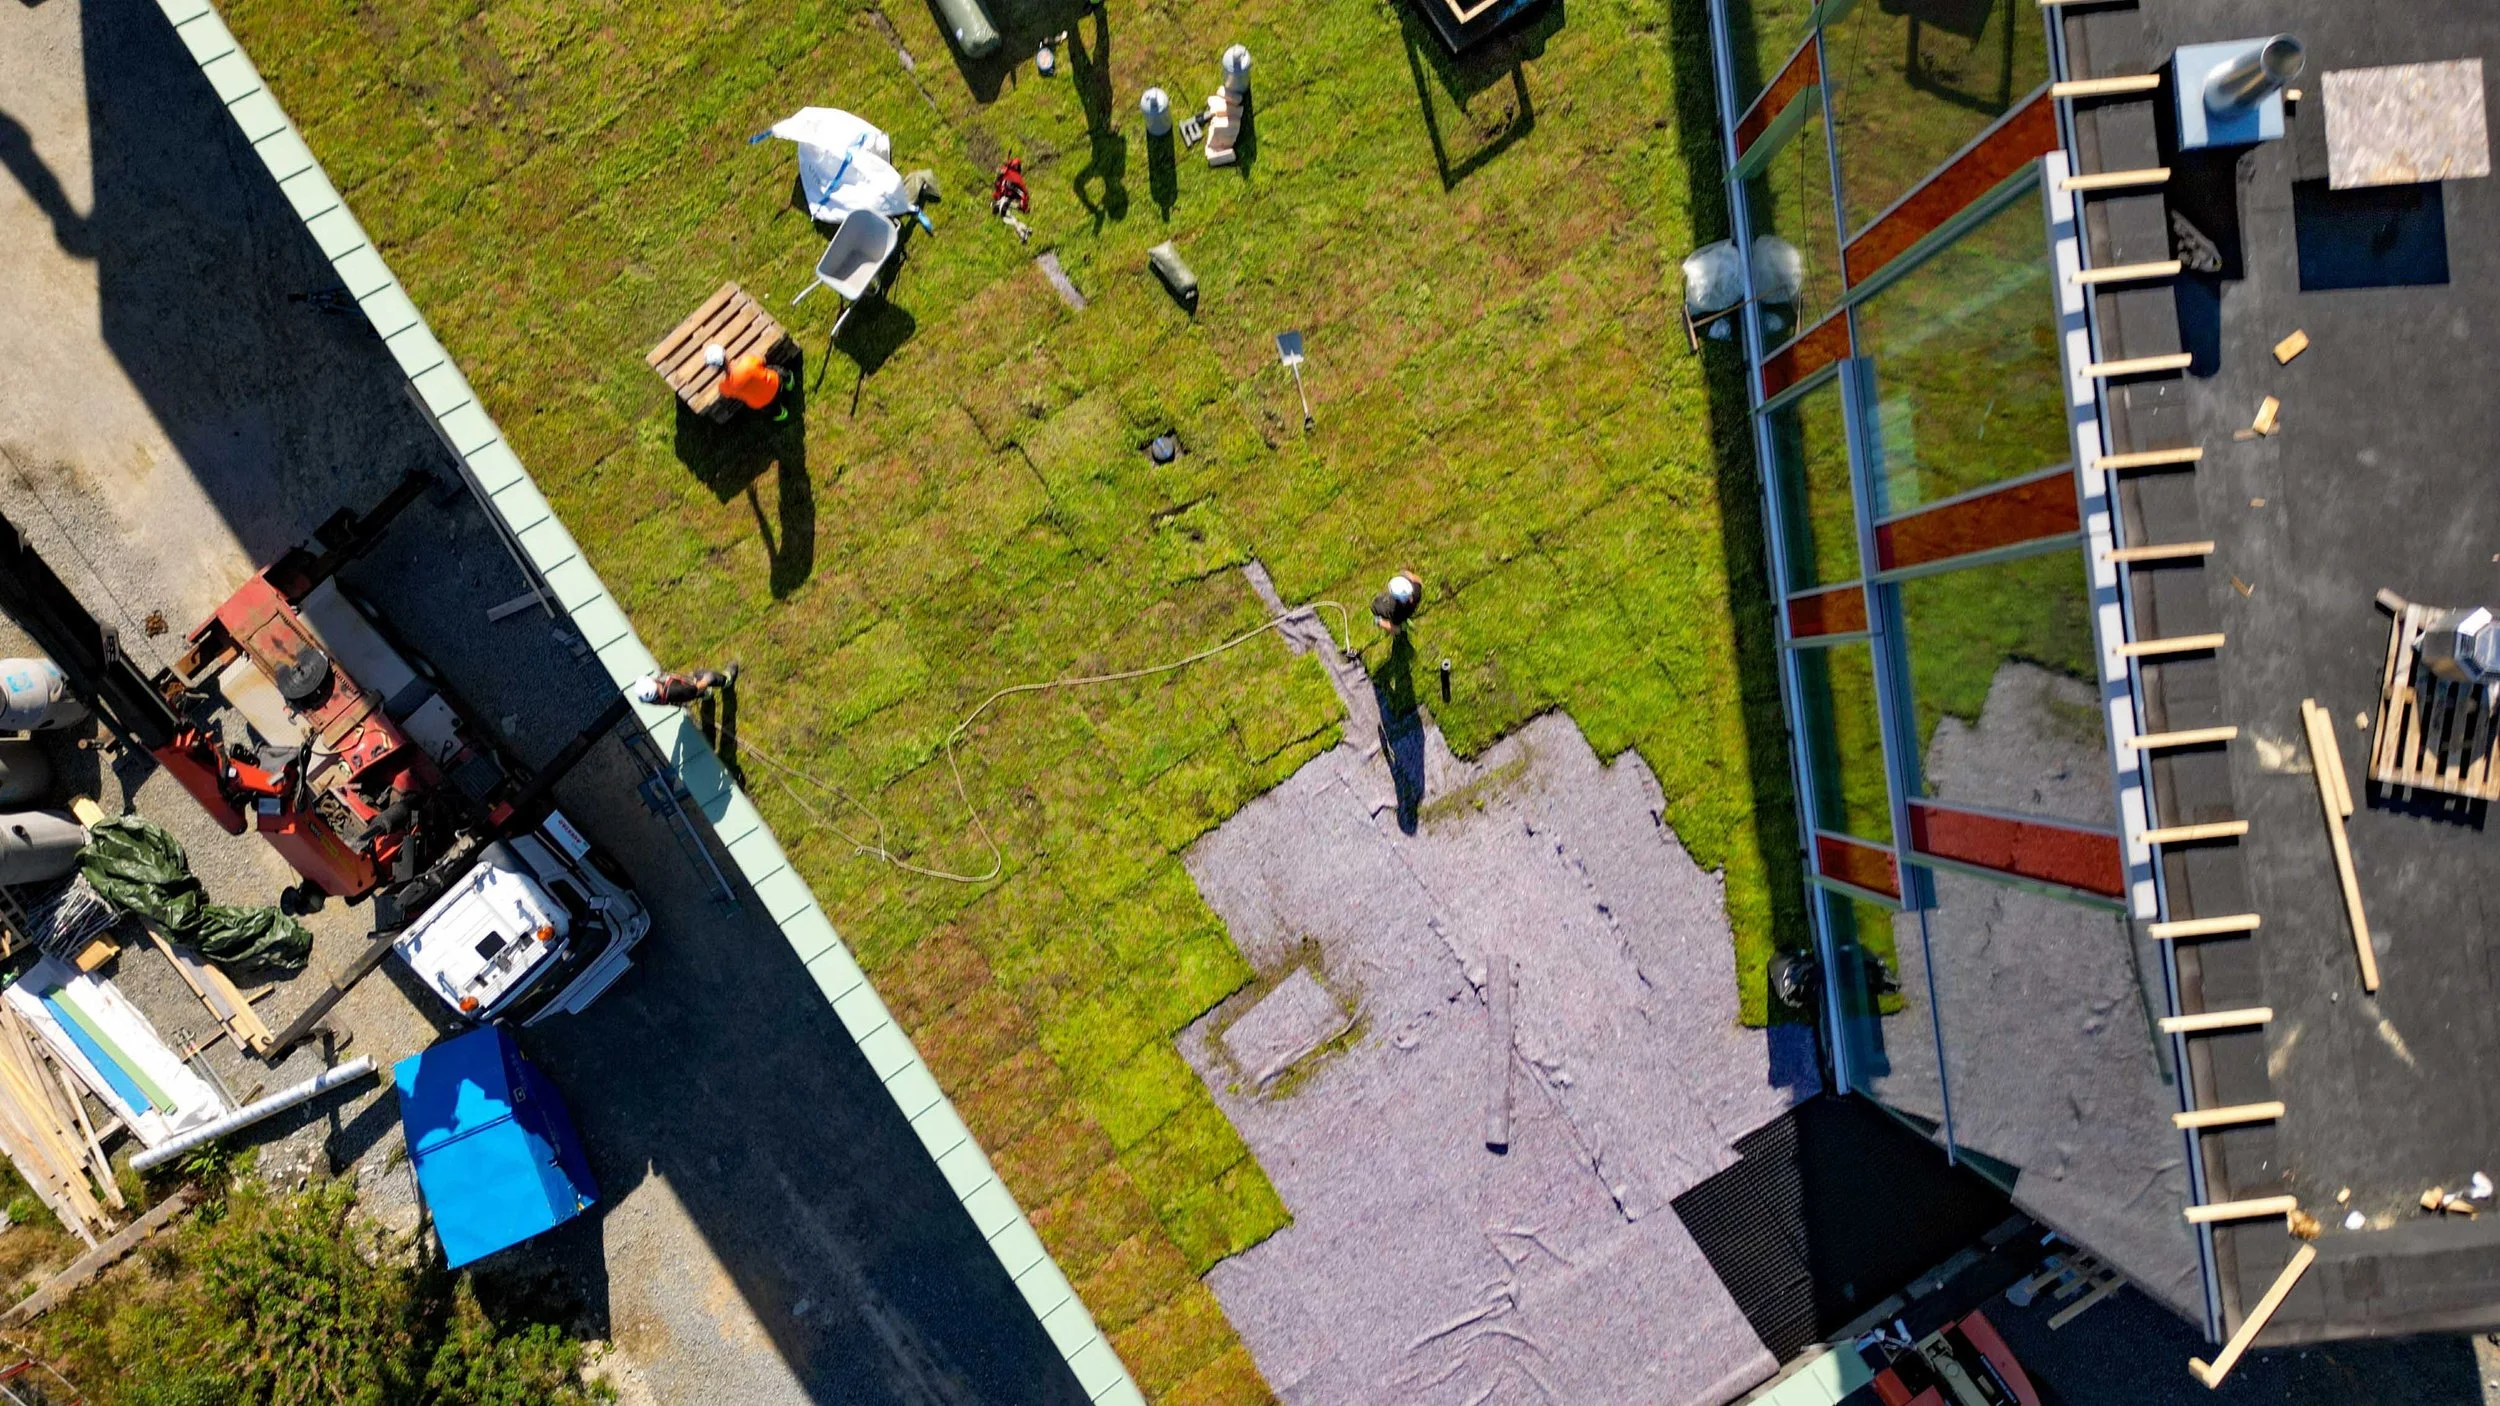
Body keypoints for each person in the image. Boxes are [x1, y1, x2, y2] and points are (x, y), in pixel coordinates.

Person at [705, 343, 781, 411]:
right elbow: (762, 360)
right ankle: (789, 383)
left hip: (760, 403)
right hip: (775, 384)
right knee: (779, 372)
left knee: (774, 411)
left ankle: (782, 415)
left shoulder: (724, 386)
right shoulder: (747, 362)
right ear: (725, 354)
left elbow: (725, 393)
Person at [631, 665, 739, 706]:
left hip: (683, 693)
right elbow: (699, 685)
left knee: (698, 690)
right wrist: (706, 680)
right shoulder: (676, 690)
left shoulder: (654, 698)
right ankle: (727, 680)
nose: (654, 678)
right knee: (708, 676)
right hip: (690, 690)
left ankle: (706, 695)